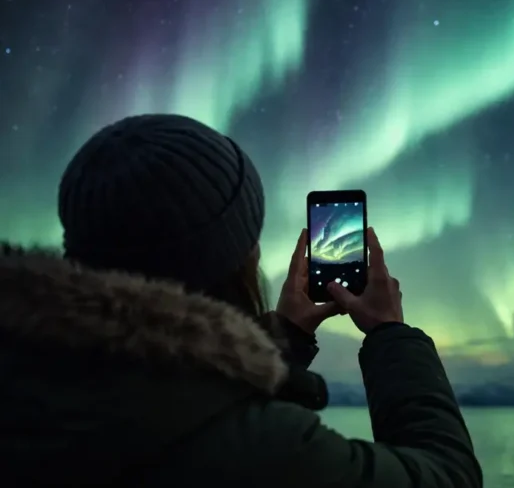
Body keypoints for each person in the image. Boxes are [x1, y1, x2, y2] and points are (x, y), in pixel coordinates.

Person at [0, 114, 482, 487]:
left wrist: (283, 339)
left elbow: (180, 395)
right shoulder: (269, 451)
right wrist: (390, 335)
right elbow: (447, 476)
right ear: (237, 258)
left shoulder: (29, 375)